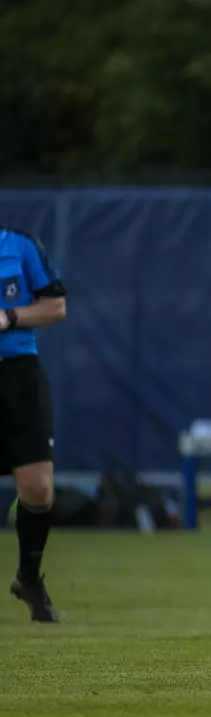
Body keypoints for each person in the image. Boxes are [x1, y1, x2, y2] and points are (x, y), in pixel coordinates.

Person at [1, 225, 68, 622]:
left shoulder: (20, 245)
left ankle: (28, 577)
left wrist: (10, 316)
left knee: (39, 488)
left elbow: (56, 306)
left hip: (19, 375)